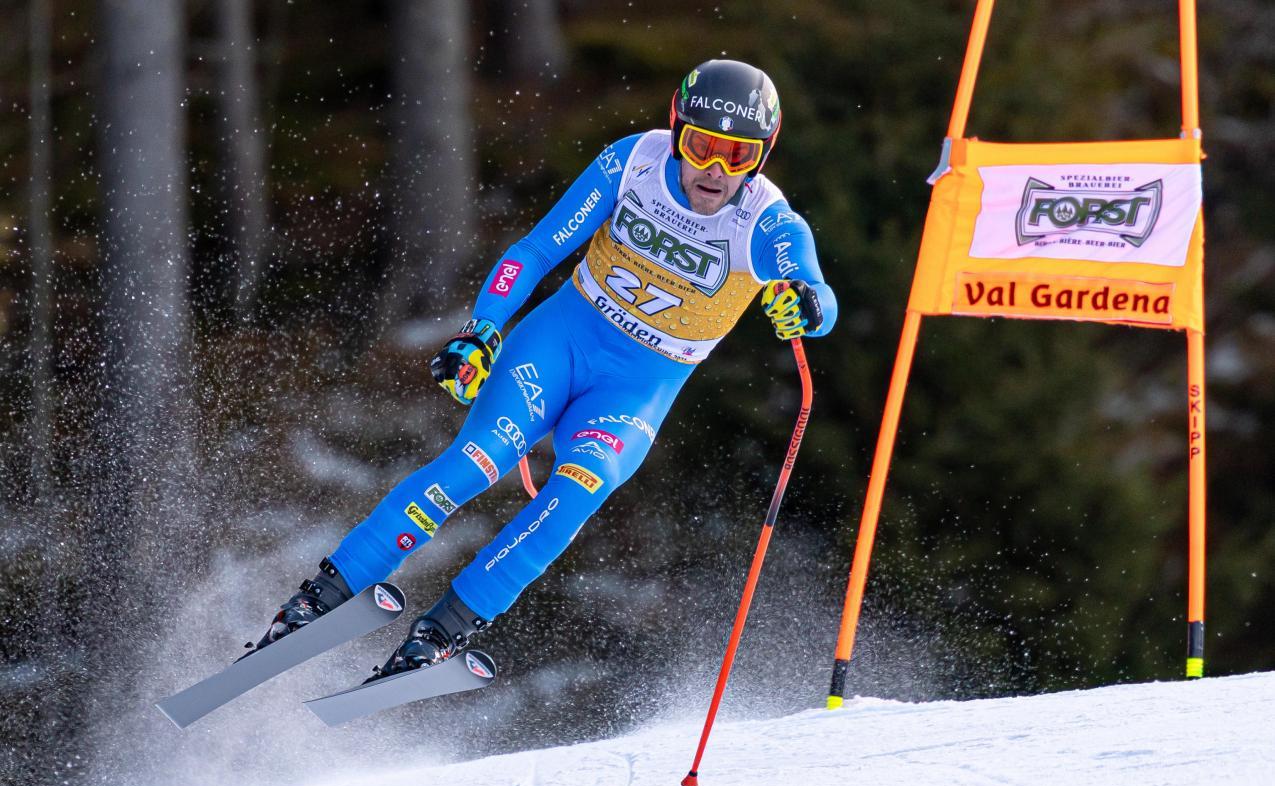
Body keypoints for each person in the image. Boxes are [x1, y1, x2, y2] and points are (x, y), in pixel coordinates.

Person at [251, 58, 838, 679]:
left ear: (762, 157)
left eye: (737, 156)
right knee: (477, 461)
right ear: (676, 131)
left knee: (578, 489)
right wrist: (480, 334)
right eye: (700, 146)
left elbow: (818, 297)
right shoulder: (632, 163)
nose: (714, 171)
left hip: (638, 384)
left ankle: (444, 630)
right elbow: (533, 251)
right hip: (560, 342)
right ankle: (322, 595)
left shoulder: (767, 221)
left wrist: (801, 302)